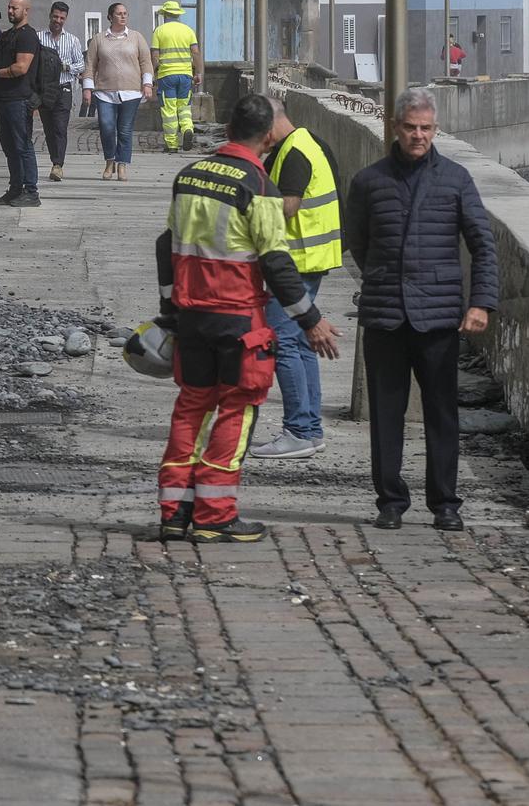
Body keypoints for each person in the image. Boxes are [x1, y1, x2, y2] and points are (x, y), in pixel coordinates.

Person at [154, 94, 341, 544]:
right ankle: (216, 515)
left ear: (229, 127)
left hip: (192, 316)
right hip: (238, 321)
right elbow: (276, 263)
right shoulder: (258, 185)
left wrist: (168, 310)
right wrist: (310, 319)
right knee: (235, 415)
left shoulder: (189, 176)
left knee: (190, 411)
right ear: (265, 136)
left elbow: (166, 245)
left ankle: (175, 512)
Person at [344, 87, 499, 532]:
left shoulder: (456, 179)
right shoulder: (370, 181)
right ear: (395, 128)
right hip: (386, 315)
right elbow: (358, 240)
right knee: (386, 414)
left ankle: (445, 503)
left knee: (442, 413)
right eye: (411, 128)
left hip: (438, 318)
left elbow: (482, 246)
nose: (418, 136)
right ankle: (390, 500)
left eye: (426, 128)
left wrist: (482, 303)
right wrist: (384, 276)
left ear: (436, 129)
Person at [248, 98, 344, 461]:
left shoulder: (295, 152)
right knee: (302, 343)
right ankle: (310, 429)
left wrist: (246, 211)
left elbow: (288, 205)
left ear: (270, 128)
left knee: (283, 342)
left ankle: (300, 430)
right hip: (308, 259)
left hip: (297, 261)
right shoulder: (306, 142)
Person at [84, 2, 156, 181]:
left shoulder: (136, 37)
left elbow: (146, 62)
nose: (123, 16)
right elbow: (90, 64)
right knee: (107, 127)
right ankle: (110, 161)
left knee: (124, 130)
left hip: (131, 92)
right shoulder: (99, 39)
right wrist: (87, 88)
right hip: (104, 92)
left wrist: (147, 84)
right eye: (119, 14)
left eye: (125, 13)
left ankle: (122, 163)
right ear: (110, 17)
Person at [0, 0, 43, 207]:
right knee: (9, 147)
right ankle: (16, 188)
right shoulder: (7, 35)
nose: (10, 11)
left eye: (15, 8)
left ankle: (31, 191)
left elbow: (21, 67)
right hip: (4, 99)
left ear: (26, 11)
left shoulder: (27, 36)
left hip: (19, 99)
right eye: (9, 7)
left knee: (23, 145)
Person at [36, 2, 85, 182]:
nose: (58, 20)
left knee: (60, 127)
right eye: (55, 17)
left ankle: (58, 165)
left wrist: (64, 66)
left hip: (63, 88)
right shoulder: (39, 37)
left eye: (62, 18)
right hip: (44, 89)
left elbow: (80, 65)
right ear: (50, 16)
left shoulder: (72, 40)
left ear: (66, 19)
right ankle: (54, 159)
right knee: (49, 129)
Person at [150, 1, 200, 154]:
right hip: (185, 76)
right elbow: (196, 53)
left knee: (169, 111)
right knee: (184, 108)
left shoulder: (159, 31)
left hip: (167, 76)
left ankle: (172, 144)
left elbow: (155, 56)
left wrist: (153, 75)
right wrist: (198, 73)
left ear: (164, 14)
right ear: (178, 14)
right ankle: (187, 129)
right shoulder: (188, 30)